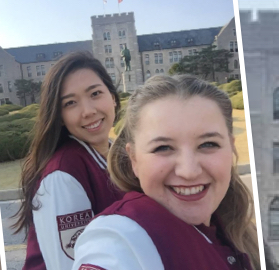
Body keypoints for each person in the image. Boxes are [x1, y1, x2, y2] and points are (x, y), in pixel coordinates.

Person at [71, 75, 260, 270]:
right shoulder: (120, 238)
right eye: (163, 148)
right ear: (134, 159)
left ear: (231, 148)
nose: (189, 172)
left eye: (208, 144)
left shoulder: (239, 230)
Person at [12, 51, 125, 270]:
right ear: (59, 117)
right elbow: (71, 265)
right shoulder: (63, 176)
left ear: (112, 96)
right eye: (71, 103)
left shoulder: (119, 154)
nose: (88, 111)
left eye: (95, 94)